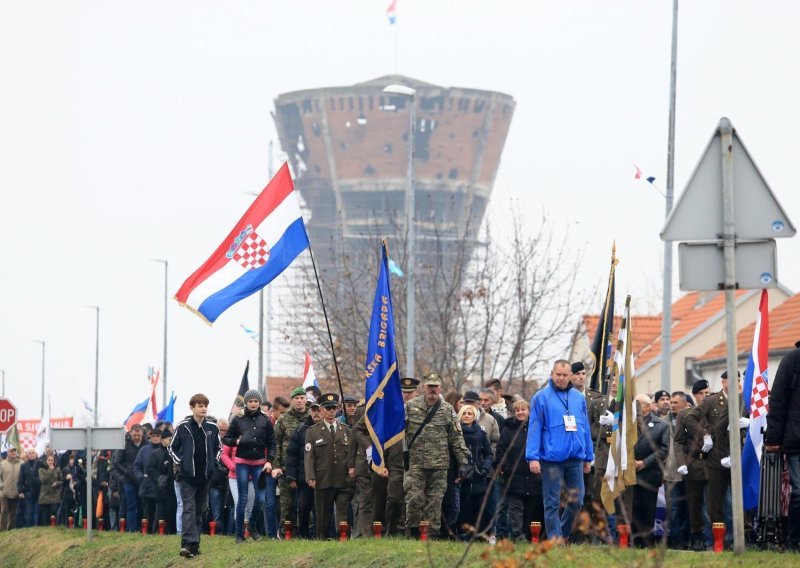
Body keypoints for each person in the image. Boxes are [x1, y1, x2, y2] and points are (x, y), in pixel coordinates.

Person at [526, 359, 594, 542]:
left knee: (577, 501)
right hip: (552, 459)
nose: (562, 378)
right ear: (552, 374)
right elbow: (534, 429)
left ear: (571, 375)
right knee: (552, 502)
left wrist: (588, 456)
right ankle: (555, 540)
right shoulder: (541, 397)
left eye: (565, 375)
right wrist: (532, 457)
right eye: (558, 375)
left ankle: (562, 535)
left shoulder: (578, 398)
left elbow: (585, 428)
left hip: (576, 458)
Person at [404, 373, 470, 538]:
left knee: (435, 501)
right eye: (430, 386)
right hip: (416, 463)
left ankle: (431, 534)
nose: (432, 389)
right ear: (424, 387)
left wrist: (463, 462)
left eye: (435, 386)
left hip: (439, 464)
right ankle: (413, 532)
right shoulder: (411, 406)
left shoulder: (447, 409)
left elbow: (456, 437)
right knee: (414, 498)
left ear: (440, 388)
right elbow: (398, 431)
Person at [684, 371, 748, 532]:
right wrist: (704, 435)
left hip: (738, 453)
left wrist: (749, 423)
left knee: (741, 496)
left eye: (738, 380)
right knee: (716, 500)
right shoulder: (711, 401)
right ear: (723, 383)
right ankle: (719, 537)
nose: (735, 383)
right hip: (717, 455)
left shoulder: (744, 400)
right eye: (731, 380)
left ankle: (744, 533)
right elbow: (690, 419)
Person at [168, 393, 222, 559]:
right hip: (187, 476)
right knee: (189, 508)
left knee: (199, 510)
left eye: (205, 405)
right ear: (192, 408)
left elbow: (219, 448)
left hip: (205, 476)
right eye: (199, 405)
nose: (203, 408)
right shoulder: (183, 426)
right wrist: (181, 462)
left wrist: (213, 463)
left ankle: (195, 545)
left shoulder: (212, 427)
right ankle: (186, 544)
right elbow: (171, 447)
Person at [223, 389, 276, 544]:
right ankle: (239, 535)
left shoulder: (265, 420)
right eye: (250, 401)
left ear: (259, 402)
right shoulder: (238, 419)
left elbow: (272, 443)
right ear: (246, 402)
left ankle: (251, 526)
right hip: (242, 463)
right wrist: (237, 441)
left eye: (256, 401)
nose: (253, 404)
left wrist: (269, 461)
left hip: (259, 463)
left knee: (260, 499)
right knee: (243, 498)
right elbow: (227, 439)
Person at [764, 341, 800, 552]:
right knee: (799, 492)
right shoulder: (792, 360)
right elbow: (778, 401)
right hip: (796, 439)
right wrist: (773, 439)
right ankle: (795, 541)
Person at [304, 393, 354, 539]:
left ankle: (343, 536)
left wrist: (352, 470)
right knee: (323, 514)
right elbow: (309, 456)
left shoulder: (346, 430)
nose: (331, 411)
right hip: (323, 478)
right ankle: (322, 538)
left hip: (343, 478)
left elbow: (351, 454)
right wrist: (310, 476)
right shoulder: (313, 431)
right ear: (321, 410)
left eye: (334, 408)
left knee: (342, 510)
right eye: (328, 408)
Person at [496, 399, 544, 541]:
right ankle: (517, 535)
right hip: (514, 475)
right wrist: (506, 467)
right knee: (515, 508)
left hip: (533, 475)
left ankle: (529, 535)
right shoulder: (507, 429)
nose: (520, 412)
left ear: (529, 411)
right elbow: (500, 450)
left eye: (523, 410)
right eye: (517, 410)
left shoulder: (536, 428)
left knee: (531, 507)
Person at [628, 394, 669, 547]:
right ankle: (633, 541)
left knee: (648, 509)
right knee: (633, 509)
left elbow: (664, 450)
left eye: (638, 403)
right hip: (631, 473)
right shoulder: (628, 423)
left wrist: (644, 463)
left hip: (649, 473)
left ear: (647, 406)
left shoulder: (661, 425)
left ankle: (647, 543)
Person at [674, 379, 710, 551]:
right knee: (694, 504)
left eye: (707, 393)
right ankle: (697, 536)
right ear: (695, 396)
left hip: (713, 462)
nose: (705, 396)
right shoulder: (685, 414)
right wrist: (681, 462)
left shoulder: (716, 411)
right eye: (701, 393)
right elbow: (678, 441)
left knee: (715, 504)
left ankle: (718, 538)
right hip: (694, 462)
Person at [272, 386, 309, 534]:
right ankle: (286, 532)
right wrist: (277, 466)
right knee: (287, 504)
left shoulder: (312, 417)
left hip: (306, 467)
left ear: (306, 399)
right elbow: (276, 444)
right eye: (296, 398)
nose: (299, 401)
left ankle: (306, 532)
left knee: (306, 503)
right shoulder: (284, 418)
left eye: (302, 398)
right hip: (286, 468)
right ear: (292, 400)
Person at [455, 404, 493, 539]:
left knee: (481, 507)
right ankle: (462, 534)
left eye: (469, 413)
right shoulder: (455, 433)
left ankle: (481, 535)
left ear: (474, 416)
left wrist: (485, 469)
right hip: (460, 476)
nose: (466, 416)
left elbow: (489, 454)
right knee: (462, 507)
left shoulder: (481, 434)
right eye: (464, 413)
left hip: (478, 475)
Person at [286, 400, 321, 538]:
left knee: (320, 508)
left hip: (323, 476)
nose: (316, 413)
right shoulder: (300, 430)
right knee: (304, 507)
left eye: (319, 410)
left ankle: (320, 534)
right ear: (310, 411)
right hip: (304, 476)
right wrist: (291, 477)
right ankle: (303, 534)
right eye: (314, 410)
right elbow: (291, 455)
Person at [147, 427, 177, 534]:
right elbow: (150, 469)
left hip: (173, 487)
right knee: (160, 510)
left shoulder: (174, 452)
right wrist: (159, 478)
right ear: (163, 440)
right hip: (161, 487)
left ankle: (172, 531)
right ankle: (157, 531)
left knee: (172, 510)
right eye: (169, 439)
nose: (171, 441)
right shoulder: (155, 453)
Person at [134, 427, 163, 533]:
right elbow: (137, 466)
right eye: (153, 436)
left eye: (158, 436)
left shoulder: (165, 450)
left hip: (161, 486)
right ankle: (146, 531)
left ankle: (158, 531)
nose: (155, 438)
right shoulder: (144, 450)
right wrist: (141, 478)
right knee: (146, 511)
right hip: (146, 486)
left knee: (160, 512)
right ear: (150, 437)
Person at [0, 447, 23, 531]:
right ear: (7, 452)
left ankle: (11, 529)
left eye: (14, 451)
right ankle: (2, 530)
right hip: (4, 493)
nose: (13, 453)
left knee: (13, 512)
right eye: (11, 451)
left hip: (16, 492)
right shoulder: (2, 464)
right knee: (4, 511)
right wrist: (1, 486)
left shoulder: (21, 464)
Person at [18, 449, 41, 527]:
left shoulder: (40, 464)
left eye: (33, 453)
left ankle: (36, 526)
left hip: (39, 492)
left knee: (37, 511)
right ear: (27, 455)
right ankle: (28, 527)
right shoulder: (23, 466)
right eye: (30, 453)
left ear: (36, 454)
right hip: (28, 492)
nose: (31, 454)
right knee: (29, 512)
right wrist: (20, 491)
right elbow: (20, 480)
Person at [38, 454, 61, 525]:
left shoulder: (57, 469)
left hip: (54, 496)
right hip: (45, 496)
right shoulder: (41, 470)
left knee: (54, 515)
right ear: (46, 461)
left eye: (52, 460)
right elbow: (43, 480)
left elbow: (61, 480)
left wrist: (57, 483)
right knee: (45, 517)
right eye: (49, 460)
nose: (50, 462)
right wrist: (50, 470)